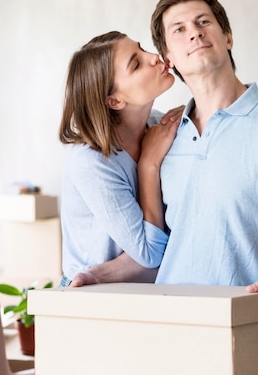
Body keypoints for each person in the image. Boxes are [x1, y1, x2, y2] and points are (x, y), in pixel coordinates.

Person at [74, 0, 258, 336]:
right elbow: (164, 251)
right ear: (168, 57)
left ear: (228, 37)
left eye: (203, 21)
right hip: (167, 334)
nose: (193, 31)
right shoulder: (163, 138)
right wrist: (95, 276)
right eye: (178, 29)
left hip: (249, 333)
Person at [58, 30, 181, 287]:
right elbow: (150, 253)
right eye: (136, 64)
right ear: (115, 100)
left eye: (142, 49)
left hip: (142, 290)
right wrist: (148, 164)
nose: (154, 57)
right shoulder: (91, 162)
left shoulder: (161, 126)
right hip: (89, 295)